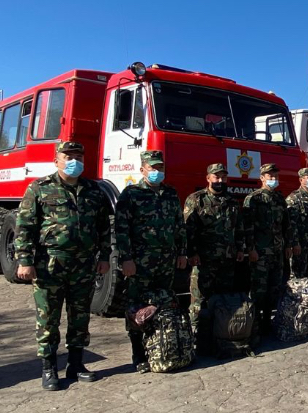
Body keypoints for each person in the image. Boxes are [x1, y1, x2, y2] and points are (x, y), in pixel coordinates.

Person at [15, 141, 111, 391]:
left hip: (84, 265)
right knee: (48, 318)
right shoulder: (39, 188)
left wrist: (104, 257)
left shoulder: (94, 190)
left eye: (78, 156)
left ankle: (76, 364)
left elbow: (103, 227)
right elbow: (25, 226)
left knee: (80, 316)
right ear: (56, 160)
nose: (74, 160)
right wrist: (25, 260)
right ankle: (48, 368)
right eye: (68, 156)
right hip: (50, 264)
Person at [115, 150, 187, 373]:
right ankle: (138, 352)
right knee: (138, 307)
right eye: (152, 168)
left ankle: (160, 346)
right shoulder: (131, 194)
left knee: (163, 305)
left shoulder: (170, 194)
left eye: (160, 168)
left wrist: (182, 252)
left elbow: (179, 226)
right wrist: (126, 259)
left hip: (165, 261)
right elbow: (121, 229)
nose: (157, 172)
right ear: (142, 169)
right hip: (140, 263)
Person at [183, 163, 244, 336]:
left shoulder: (231, 201)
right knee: (199, 299)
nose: (220, 180)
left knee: (224, 297)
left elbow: (238, 228)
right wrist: (191, 253)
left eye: (223, 177)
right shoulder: (196, 199)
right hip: (204, 259)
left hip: (227, 259)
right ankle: (195, 335)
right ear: (208, 178)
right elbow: (188, 229)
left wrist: (240, 249)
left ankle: (220, 332)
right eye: (216, 177)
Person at [242, 163, 292, 334]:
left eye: (275, 176)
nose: (273, 179)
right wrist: (251, 249)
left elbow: (286, 225)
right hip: (260, 252)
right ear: (262, 178)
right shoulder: (253, 199)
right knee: (258, 289)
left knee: (274, 288)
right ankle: (254, 324)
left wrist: (287, 246)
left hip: (277, 251)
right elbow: (247, 227)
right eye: (270, 176)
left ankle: (267, 322)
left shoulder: (279, 199)